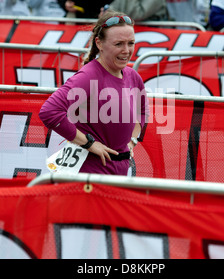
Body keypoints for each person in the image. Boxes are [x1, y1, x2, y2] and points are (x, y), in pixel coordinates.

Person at [39, 10, 149, 176]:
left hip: (119, 170)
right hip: (89, 173)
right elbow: (49, 111)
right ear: (99, 43)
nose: (126, 50)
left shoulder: (132, 76)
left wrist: (132, 141)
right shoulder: (89, 76)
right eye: (118, 44)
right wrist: (89, 144)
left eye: (131, 43)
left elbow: (142, 111)